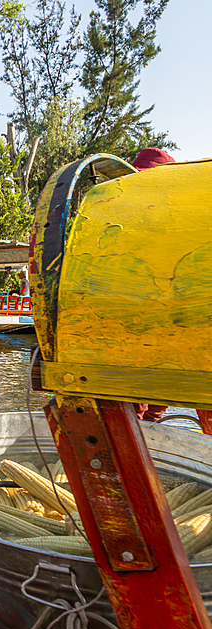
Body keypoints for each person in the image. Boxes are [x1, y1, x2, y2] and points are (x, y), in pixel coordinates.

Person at [130, 147, 176, 423]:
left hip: (166, 325)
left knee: (155, 404)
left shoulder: (176, 220)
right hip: (132, 324)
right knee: (132, 407)